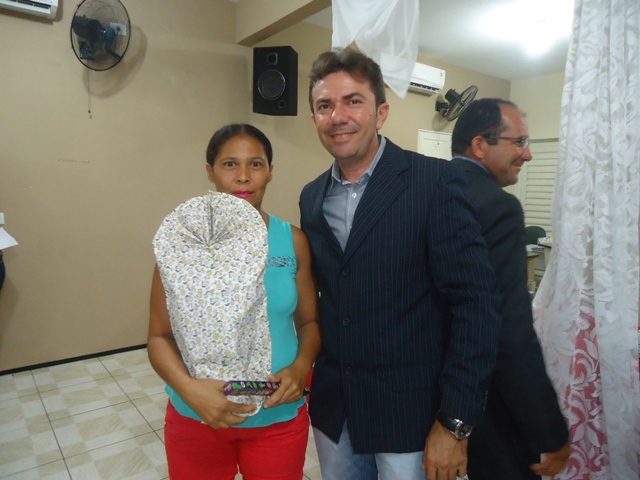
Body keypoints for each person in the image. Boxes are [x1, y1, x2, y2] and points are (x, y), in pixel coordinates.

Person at [299, 48, 502, 480]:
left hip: (412, 414)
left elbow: (476, 306)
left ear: (381, 112)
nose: (338, 116)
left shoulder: (434, 181)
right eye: (324, 105)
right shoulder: (311, 197)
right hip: (337, 411)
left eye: (353, 101)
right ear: (314, 117)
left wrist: (455, 422)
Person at [148, 123, 321, 480]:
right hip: (199, 415)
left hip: (276, 413)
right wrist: (189, 390)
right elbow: (159, 337)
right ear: (210, 171)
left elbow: (309, 323)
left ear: (270, 171)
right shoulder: (182, 243)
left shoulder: (291, 240)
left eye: (255, 164)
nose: (243, 176)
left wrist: (301, 367)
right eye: (230, 164)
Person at [450, 98, 570, 479]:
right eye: (519, 142)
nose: (528, 154)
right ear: (480, 145)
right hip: (486, 406)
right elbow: (509, 329)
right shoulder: (498, 207)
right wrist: (548, 429)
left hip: (424, 397)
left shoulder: (425, 190)